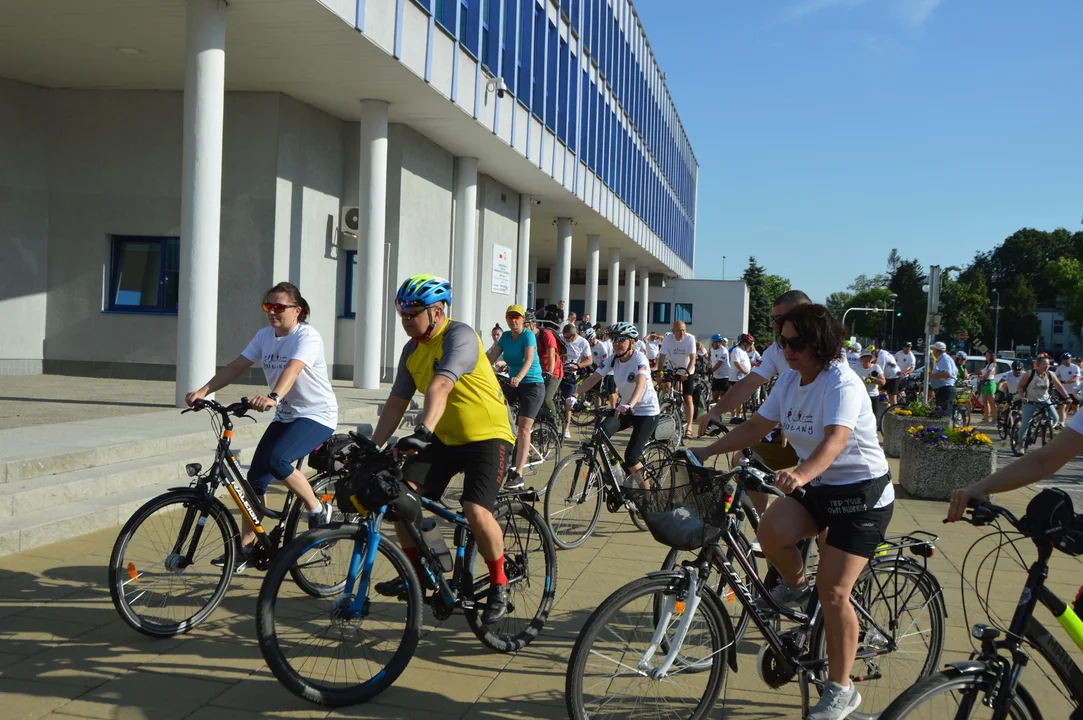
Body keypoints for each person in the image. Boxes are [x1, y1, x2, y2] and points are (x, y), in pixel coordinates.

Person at [694, 303, 893, 720]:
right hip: (820, 487)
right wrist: (707, 451)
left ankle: (841, 690)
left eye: (796, 343)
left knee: (836, 592)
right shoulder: (788, 379)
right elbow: (755, 428)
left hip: (861, 495)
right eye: (783, 341)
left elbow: (836, 440)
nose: (787, 350)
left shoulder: (842, 382)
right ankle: (800, 589)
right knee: (771, 531)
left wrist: (800, 474)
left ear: (820, 344)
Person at [370, 275, 515, 623]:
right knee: (399, 498)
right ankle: (420, 575)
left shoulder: (460, 335)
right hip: (446, 438)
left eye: (413, 312)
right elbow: (396, 403)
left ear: (436, 312)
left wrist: (423, 431)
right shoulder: (412, 350)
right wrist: (372, 447)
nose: (406, 319)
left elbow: (441, 384)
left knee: (476, 510)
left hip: (488, 435)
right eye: (401, 312)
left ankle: (499, 582)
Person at [185, 282, 337, 570]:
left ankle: (317, 509)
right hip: (287, 415)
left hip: (317, 414)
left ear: (297, 310)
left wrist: (273, 396)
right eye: (268, 306)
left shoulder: (308, 336)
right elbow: (237, 366)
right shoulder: (264, 336)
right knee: (254, 481)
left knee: (278, 460)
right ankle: (246, 547)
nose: (272, 312)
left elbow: (293, 369)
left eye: (280, 307)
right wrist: (204, 391)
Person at [698, 290, 813, 506]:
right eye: (772, 319)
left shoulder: (832, 365)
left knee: (821, 527)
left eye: (778, 319)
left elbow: (835, 438)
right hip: (798, 433)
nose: (772, 325)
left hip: (834, 454)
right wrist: (716, 412)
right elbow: (750, 384)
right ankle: (763, 522)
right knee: (743, 461)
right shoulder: (778, 356)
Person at [948, 389, 1083, 523]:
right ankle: (1020, 440)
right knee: (1025, 424)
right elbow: (1043, 461)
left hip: (1042, 401)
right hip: (1028, 402)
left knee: (1053, 417)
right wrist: (977, 489)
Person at [566, 322, 660, 488]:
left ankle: (649, 498)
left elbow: (641, 384)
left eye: (621, 339)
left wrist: (630, 403)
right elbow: (594, 377)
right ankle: (614, 473)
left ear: (632, 342)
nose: (616, 343)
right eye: (614, 339)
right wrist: (575, 395)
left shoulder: (640, 358)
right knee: (601, 434)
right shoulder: (613, 359)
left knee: (632, 457)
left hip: (647, 411)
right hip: (626, 409)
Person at [485, 304, 545, 488]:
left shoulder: (527, 335)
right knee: (495, 411)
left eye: (516, 317)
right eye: (510, 317)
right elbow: (490, 359)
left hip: (532, 384)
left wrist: (519, 376)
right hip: (513, 382)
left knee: (524, 428)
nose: (513, 320)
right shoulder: (504, 337)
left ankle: (518, 473)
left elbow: (528, 359)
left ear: (522, 319)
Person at [1013, 353, 1071, 456]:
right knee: (1025, 424)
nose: (1047, 366)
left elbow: (1059, 387)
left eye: (1048, 364)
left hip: (1044, 400)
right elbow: (1020, 386)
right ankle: (1020, 444)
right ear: (1038, 365)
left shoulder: (1050, 374)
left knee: (1056, 418)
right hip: (1030, 401)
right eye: (1044, 364)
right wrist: (1023, 397)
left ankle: (1043, 426)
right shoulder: (1029, 374)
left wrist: (1067, 397)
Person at [656, 321, 698, 438]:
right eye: (679, 330)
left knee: (687, 398)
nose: (682, 333)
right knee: (667, 387)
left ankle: (689, 427)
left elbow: (693, 358)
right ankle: (668, 408)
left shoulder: (690, 339)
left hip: (687, 369)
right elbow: (662, 356)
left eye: (684, 330)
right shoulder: (668, 339)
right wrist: (659, 373)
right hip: (673, 368)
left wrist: (687, 372)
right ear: (673, 331)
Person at [560, 323, 593, 438]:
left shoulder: (583, 342)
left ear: (574, 335)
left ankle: (567, 427)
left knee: (569, 401)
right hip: (558, 371)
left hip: (570, 373)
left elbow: (589, 360)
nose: (566, 340)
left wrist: (578, 366)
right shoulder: (561, 338)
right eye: (564, 337)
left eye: (568, 338)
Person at [532, 311, 564, 420]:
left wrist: (550, 371)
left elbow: (551, 354)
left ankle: (554, 423)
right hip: (539, 371)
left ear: (532, 324)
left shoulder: (546, 334)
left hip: (554, 371)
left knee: (546, 399)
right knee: (536, 398)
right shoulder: (528, 337)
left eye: (525, 325)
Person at [586, 327, 617, 409]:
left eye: (589, 341)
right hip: (596, 368)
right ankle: (597, 409)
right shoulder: (590, 346)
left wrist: (600, 371)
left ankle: (613, 409)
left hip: (607, 371)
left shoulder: (602, 346)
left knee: (611, 391)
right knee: (597, 393)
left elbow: (605, 361)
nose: (588, 343)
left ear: (593, 338)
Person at [928, 342, 958, 413]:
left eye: (933, 350)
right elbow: (956, 371)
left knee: (945, 412)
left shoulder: (945, 359)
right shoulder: (942, 359)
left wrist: (933, 376)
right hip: (942, 388)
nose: (933, 352)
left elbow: (948, 373)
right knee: (941, 411)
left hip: (945, 389)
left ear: (936, 350)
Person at [1056, 353, 1080, 424]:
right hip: (1064, 390)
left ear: (1070, 360)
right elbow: (1054, 376)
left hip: (1074, 390)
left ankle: (1078, 422)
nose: (1065, 362)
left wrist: (1065, 382)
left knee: (1075, 407)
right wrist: (1057, 381)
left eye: (1066, 360)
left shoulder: (1075, 367)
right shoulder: (1060, 367)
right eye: (1063, 360)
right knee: (1062, 406)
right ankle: (1062, 422)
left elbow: (1076, 378)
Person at [709, 334, 731, 410]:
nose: (711, 344)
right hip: (716, 376)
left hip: (725, 376)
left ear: (718, 343)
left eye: (713, 342)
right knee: (715, 396)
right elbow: (712, 360)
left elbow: (719, 363)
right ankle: (721, 409)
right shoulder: (712, 350)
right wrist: (709, 367)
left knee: (722, 395)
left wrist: (711, 370)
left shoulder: (724, 351)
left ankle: (721, 411)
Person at [978, 350, 999, 423]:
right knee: (985, 401)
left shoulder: (992, 364)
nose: (986, 357)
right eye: (985, 355)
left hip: (989, 383)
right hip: (984, 383)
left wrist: (981, 377)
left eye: (987, 355)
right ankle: (986, 417)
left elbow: (987, 375)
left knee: (992, 402)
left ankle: (994, 419)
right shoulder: (987, 364)